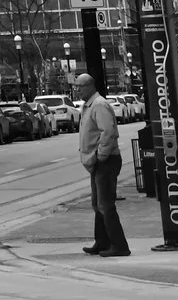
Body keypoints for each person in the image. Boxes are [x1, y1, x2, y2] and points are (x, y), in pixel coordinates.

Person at [75, 72, 128, 258]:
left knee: (106, 204)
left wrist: (101, 155)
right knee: (98, 204)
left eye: (80, 86)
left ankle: (119, 245)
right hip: (96, 161)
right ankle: (102, 241)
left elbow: (109, 132)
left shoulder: (99, 105)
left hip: (105, 160)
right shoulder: (89, 106)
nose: (77, 90)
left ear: (90, 86)